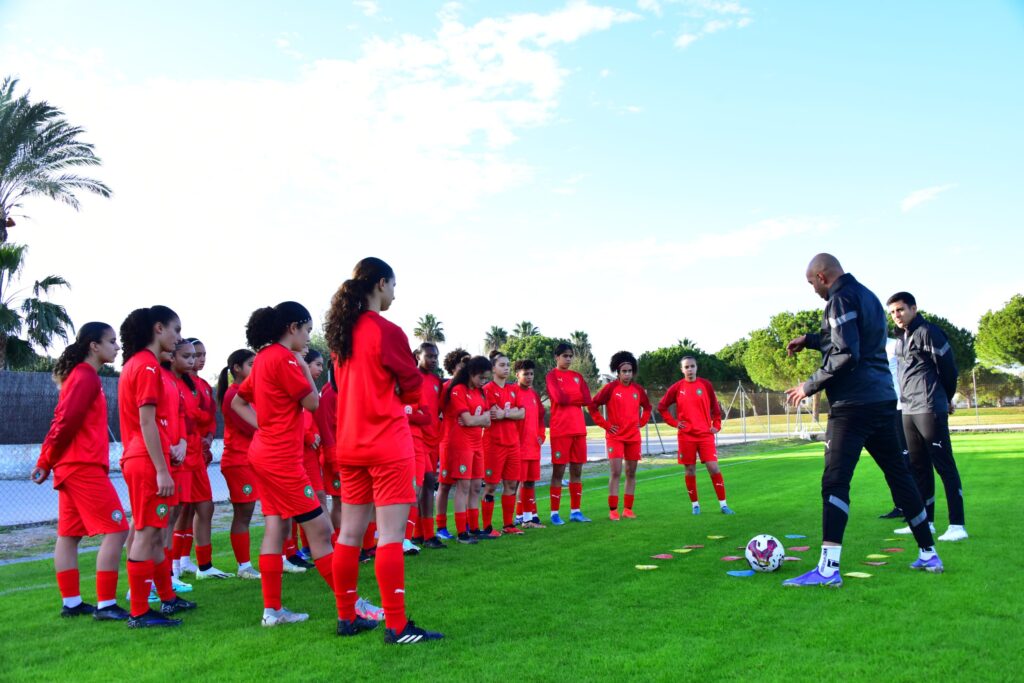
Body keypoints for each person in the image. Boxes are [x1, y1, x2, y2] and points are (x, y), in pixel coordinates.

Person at [782, 254, 943, 587]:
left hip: (852, 407)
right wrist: (811, 340)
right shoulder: (867, 296)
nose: (812, 289)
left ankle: (828, 570)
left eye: (811, 282)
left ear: (822, 276)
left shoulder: (838, 300)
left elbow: (846, 352)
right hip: (882, 400)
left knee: (836, 481)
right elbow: (854, 339)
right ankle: (928, 553)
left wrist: (808, 385)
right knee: (900, 477)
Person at [326, 257, 444, 644]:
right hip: (386, 443)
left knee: (348, 535)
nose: (395, 293)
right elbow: (413, 386)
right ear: (380, 284)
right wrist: (397, 392)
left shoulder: (341, 335)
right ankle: (396, 626)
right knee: (391, 536)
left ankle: (347, 617)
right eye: (393, 285)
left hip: (351, 443)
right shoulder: (386, 330)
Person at [231, 301, 338, 627]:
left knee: (276, 527)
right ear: (292, 327)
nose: (308, 338)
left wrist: (263, 426)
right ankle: (352, 603)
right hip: (280, 459)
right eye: (306, 330)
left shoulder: (263, 359)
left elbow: (239, 401)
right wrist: (303, 365)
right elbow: (312, 402)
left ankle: (272, 611)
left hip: (266, 454)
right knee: (320, 529)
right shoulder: (283, 358)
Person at [31, 323, 131, 620]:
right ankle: (106, 604)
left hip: (73, 465)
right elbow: (64, 421)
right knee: (117, 529)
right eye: (112, 341)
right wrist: (45, 460)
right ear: (93, 345)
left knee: (69, 534)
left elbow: (63, 420)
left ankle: (72, 604)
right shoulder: (85, 376)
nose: (117, 347)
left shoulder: (84, 376)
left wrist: (47, 462)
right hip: (81, 466)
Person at [117, 306, 196, 627]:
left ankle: (166, 598)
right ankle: (139, 611)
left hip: (147, 459)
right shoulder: (147, 368)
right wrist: (162, 469)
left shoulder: (143, 365)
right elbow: (146, 421)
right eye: (176, 331)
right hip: (146, 463)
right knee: (147, 534)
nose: (178, 338)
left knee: (155, 532)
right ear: (158, 328)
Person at [887, 292, 967, 542]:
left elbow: (949, 369)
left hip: (929, 406)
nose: (896, 316)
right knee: (918, 467)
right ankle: (926, 522)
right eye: (892, 312)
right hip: (908, 409)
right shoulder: (901, 339)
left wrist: (945, 398)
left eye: (900, 310)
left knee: (944, 465)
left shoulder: (929, 331)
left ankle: (957, 525)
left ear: (913, 308)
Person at [657, 356, 733, 515]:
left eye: (692, 366)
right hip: (686, 436)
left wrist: (716, 425)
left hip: (705, 435)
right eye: (686, 367)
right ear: (682, 370)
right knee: (690, 470)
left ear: (696, 368)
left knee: (713, 467)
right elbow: (662, 407)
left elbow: (715, 409)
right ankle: (695, 506)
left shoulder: (705, 385)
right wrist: (675, 423)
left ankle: (724, 505)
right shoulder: (677, 387)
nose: (689, 369)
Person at [590, 351, 651, 520]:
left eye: (630, 371)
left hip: (633, 437)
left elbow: (647, 407)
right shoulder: (610, 388)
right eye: (624, 371)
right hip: (615, 437)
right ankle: (613, 510)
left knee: (631, 472)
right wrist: (606, 426)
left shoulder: (638, 390)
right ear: (617, 372)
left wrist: (642, 421)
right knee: (616, 472)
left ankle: (628, 509)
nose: (627, 374)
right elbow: (592, 406)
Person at [217, 349, 262, 579]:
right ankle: (244, 566)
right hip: (238, 461)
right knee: (243, 514)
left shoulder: (247, 393)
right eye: (251, 364)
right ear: (236, 368)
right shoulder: (233, 396)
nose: (256, 368)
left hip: (248, 460)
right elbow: (252, 427)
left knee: (248, 512)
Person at [441, 356, 493, 543]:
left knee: (475, 487)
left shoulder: (481, 393)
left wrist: (475, 419)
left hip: (477, 444)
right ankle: (462, 533)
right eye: (481, 378)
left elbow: (486, 421)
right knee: (463, 487)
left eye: (487, 378)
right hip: (461, 444)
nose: (484, 382)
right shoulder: (457, 390)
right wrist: (477, 419)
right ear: (471, 373)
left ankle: (475, 528)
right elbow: (471, 420)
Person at [545, 343, 593, 524]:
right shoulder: (551, 376)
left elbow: (587, 399)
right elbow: (559, 398)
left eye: (571, 356)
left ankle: (575, 511)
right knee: (558, 471)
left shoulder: (577, 377)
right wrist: (574, 399)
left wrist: (570, 399)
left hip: (579, 430)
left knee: (577, 471)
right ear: (556, 357)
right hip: (561, 430)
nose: (569, 359)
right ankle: (554, 513)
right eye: (565, 355)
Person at [481, 351, 525, 536]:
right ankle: (487, 527)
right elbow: (492, 414)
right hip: (493, 445)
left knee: (511, 485)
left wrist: (505, 414)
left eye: (508, 365)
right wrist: (510, 412)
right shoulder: (487, 390)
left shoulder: (514, 389)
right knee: (490, 486)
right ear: (493, 368)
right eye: (502, 365)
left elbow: (521, 413)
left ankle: (508, 525)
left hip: (513, 444)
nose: (506, 368)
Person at [408, 343, 445, 550]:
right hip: (415, 439)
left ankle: (424, 534)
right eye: (429, 356)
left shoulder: (436, 381)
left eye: (436, 357)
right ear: (417, 355)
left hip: (433, 439)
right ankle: (415, 534)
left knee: (428, 485)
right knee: (421, 485)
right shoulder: (411, 378)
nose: (433, 360)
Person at [435, 348, 470, 541]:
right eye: (461, 365)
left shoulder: (469, 388)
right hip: (448, 441)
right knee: (445, 485)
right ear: (452, 367)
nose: (465, 368)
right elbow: (437, 411)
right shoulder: (447, 387)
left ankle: (463, 523)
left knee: (464, 484)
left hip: (466, 443)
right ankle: (441, 526)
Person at [878, 337, 910, 519]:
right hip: (882, 410)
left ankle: (913, 506)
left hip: (900, 407)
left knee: (907, 460)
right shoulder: (866, 346)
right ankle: (900, 506)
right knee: (890, 462)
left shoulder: (896, 344)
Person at [514, 360, 546, 528]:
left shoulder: (534, 394)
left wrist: (541, 434)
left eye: (531, 374)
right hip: (518, 447)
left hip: (533, 446)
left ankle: (528, 517)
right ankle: (520, 517)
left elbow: (540, 417)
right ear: (517, 375)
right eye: (525, 374)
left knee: (530, 482)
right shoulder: (513, 392)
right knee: (517, 483)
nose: (529, 377)